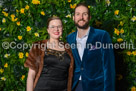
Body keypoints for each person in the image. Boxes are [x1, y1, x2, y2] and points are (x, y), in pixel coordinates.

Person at [67, 3, 115, 91]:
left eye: (84, 14)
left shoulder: (102, 35)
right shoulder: (69, 38)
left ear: (89, 17)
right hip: (75, 86)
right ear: (73, 17)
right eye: (78, 14)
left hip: (96, 87)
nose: (81, 17)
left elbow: (108, 67)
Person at [24, 16, 74, 91]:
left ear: (62, 28)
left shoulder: (68, 49)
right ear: (48, 30)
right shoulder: (38, 47)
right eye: (52, 26)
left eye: (59, 26)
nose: (56, 29)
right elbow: (31, 75)